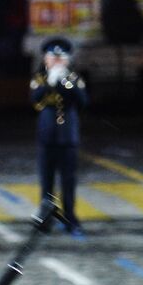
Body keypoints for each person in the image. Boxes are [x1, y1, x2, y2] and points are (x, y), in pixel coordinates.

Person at [30, 36, 88, 236]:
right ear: (46, 59)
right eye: (52, 58)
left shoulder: (73, 78)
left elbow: (82, 101)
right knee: (47, 180)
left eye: (60, 58)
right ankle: (45, 219)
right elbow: (35, 98)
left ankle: (70, 217)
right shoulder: (39, 78)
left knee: (68, 180)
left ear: (67, 59)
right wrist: (50, 82)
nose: (56, 61)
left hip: (68, 136)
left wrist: (64, 82)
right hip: (47, 136)